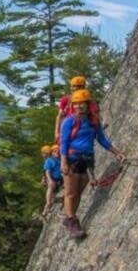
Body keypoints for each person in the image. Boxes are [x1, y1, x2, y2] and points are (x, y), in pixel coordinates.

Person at [59, 89, 124, 238]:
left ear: (88, 105)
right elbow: (64, 142)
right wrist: (63, 162)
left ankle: (71, 218)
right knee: (70, 193)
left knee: (78, 192)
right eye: (76, 104)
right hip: (72, 158)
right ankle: (71, 220)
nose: (79, 107)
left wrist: (117, 153)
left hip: (87, 159)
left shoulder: (93, 122)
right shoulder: (69, 121)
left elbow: (102, 140)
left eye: (82, 104)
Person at [41, 144, 63, 220]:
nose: (57, 152)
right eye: (55, 151)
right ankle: (45, 212)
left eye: (58, 151)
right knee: (50, 200)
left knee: (54, 198)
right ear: (52, 152)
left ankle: (46, 212)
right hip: (52, 180)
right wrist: (49, 180)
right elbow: (47, 171)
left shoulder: (57, 160)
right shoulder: (49, 161)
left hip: (58, 180)